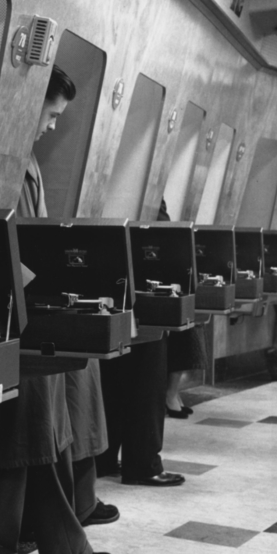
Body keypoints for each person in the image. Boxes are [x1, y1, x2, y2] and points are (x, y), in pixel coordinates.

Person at [0, 66, 115, 554]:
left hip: (25, 307)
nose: (51, 127)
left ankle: (61, 543)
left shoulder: (26, 163)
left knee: (43, 428)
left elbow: (37, 241)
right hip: (1, 313)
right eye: (50, 115)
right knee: (18, 432)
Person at [96, 199, 185, 487]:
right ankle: (143, 464)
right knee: (148, 376)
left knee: (111, 377)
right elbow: (163, 235)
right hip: (140, 291)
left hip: (102, 282)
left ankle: (104, 458)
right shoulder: (147, 187)